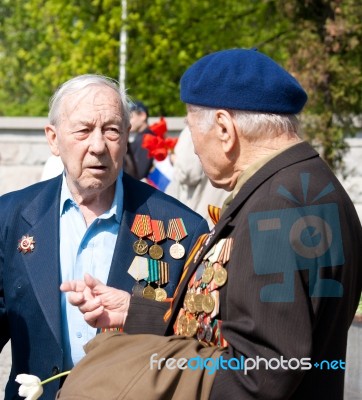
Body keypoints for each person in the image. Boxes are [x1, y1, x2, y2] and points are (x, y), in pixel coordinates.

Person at [58, 49, 362, 399]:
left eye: (190, 131)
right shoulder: (303, 185)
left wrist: (143, 375)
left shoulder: (277, 209)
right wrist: (135, 312)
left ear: (224, 128)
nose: (194, 150)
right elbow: (237, 322)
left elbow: (261, 375)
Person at [0, 74, 209, 400]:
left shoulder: (180, 227)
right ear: (53, 139)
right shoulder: (10, 217)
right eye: (83, 131)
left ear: (127, 136)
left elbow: (199, 345)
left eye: (111, 130)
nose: (98, 146)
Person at [166, 126, 229, 228]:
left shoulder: (195, 126)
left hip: (200, 213)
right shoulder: (227, 122)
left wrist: (173, 160)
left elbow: (187, 173)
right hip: (220, 209)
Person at [123, 100, 155, 180]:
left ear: (142, 116)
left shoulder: (148, 139)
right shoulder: (144, 137)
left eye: (130, 116)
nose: (127, 121)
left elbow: (139, 174)